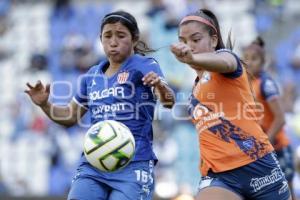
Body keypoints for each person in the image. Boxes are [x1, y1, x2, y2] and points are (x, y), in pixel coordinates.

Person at [25, 10, 175, 200]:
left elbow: (169, 102)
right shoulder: (92, 75)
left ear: (134, 39)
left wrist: (160, 86)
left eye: (121, 36)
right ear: (101, 39)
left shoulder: (144, 65)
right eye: (108, 36)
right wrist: (44, 104)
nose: (113, 42)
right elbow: (70, 116)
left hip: (133, 164)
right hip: (93, 163)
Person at [170, 8, 291, 200]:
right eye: (183, 41)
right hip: (220, 176)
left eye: (195, 39)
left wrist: (192, 58)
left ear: (213, 39)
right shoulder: (194, 91)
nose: (189, 46)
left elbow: (225, 63)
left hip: (259, 166)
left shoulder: (228, 59)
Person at [243, 37, 296, 200]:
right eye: (246, 59)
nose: (249, 63)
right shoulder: (245, 84)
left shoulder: (266, 84)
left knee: (287, 191)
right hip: (262, 150)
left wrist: (266, 142)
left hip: (278, 147)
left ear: (263, 62)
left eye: (254, 59)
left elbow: (280, 119)